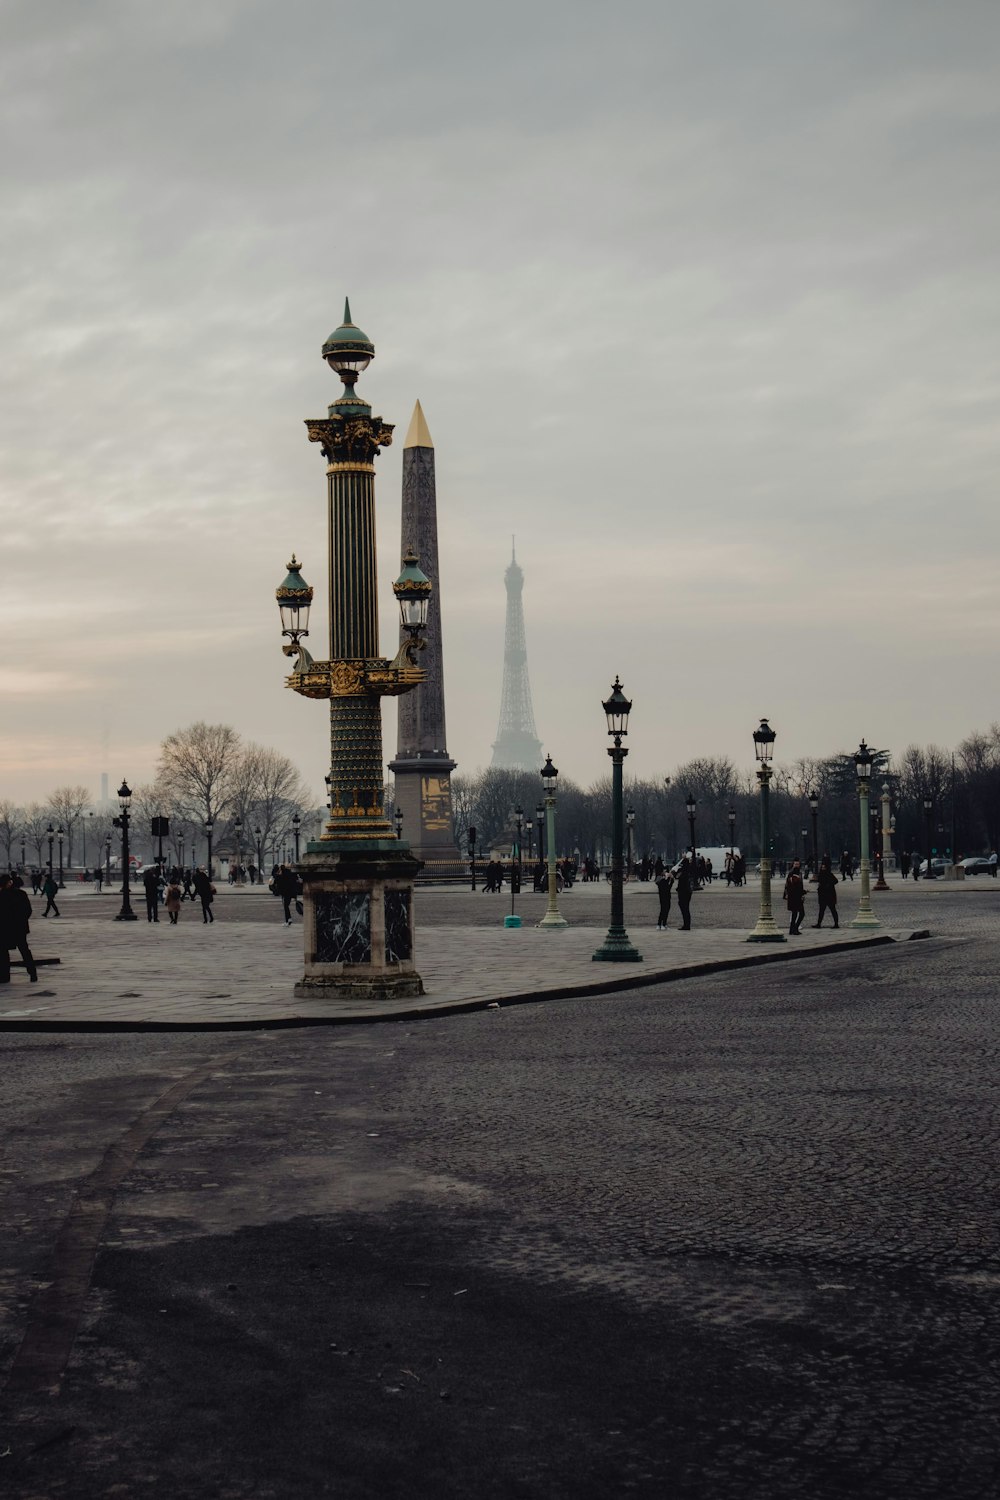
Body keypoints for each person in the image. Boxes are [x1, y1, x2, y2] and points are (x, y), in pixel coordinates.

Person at [0, 873, 38, 983]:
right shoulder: (21, 894)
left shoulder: (1, 895)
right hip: (19, 928)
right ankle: (32, 972)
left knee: (3, 952)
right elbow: (28, 911)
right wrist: (21, 921)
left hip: (5, 928)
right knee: (24, 950)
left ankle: (4, 976)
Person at [813, 858, 840, 928]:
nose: (823, 868)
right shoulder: (821, 874)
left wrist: (828, 885)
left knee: (833, 910)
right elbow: (820, 883)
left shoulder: (829, 874)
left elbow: (836, 881)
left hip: (829, 895)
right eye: (822, 867)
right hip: (823, 895)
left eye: (824, 867)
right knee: (821, 910)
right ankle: (819, 923)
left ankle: (836, 924)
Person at [783, 861, 806, 934]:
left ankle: (792, 929)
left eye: (798, 864)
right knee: (800, 913)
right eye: (795, 864)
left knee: (795, 913)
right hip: (795, 897)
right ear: (793, 865)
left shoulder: (798, 873)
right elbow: (794, 886)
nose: (797, 865)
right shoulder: (793, 874)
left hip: (795, 896)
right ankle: (795, 928)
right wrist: (803, 892)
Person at [675, 857, 694, 930]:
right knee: (686, 908)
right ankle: (687, 924)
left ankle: (686, 925)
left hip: (683, 892)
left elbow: (677, 876)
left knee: (684, 908)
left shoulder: (682, 871)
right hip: (688, 892)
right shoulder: (690, 869)